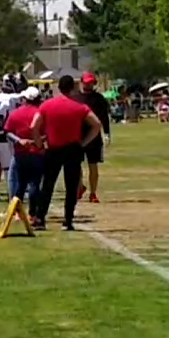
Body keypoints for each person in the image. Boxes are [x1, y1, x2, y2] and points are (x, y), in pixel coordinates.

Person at [31, 74, 102, 231]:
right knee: (71, 187)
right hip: (72, 149)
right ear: (73, 87)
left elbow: (33, 127)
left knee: (47, 185)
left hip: (53, 148)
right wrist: (84, 143)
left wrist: (39, 144)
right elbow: (97, 124)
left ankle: (40, 219)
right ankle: (68, 220)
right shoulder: (79, 107)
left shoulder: (46, 105)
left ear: (59, 87)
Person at [4, 86, 45, 227]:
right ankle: (32, 214)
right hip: (37, 153)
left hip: (20, 153)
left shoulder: (15, 113)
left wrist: (19, 140)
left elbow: (8, 132)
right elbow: (47, 134)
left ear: (25, 99)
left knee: (20, 184)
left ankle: (16, 212)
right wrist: (35, 141)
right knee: (34, 184)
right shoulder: (41, 113)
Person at [77, 72, 112, 203]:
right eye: (86, 82)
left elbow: (104, 117)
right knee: (76, 165)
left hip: (94, 136)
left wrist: (107, 133)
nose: (88, 84)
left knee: (93, 164)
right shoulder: (76, 98)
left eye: (91, 82)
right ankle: (79, 187)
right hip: (78, 135)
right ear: (82, 82)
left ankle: (93, 193)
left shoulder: (99, 98)